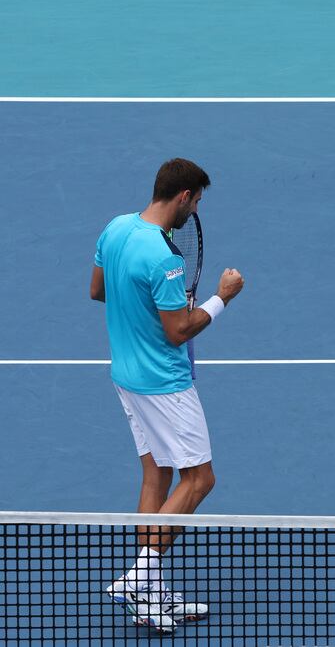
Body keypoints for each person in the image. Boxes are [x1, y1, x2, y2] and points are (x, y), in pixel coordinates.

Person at [90, 158, 244, 632]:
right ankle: (140, 578)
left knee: (156, 472)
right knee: (200, 480)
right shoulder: (163, 256)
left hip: (126, 375)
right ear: (183, 197)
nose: (195, 208)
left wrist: (163, 307)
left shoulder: (115, 229)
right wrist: (222, 297)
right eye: (196, 200)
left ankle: (149, 593)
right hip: (163, 384)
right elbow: (178, 331)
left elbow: (99, 290)